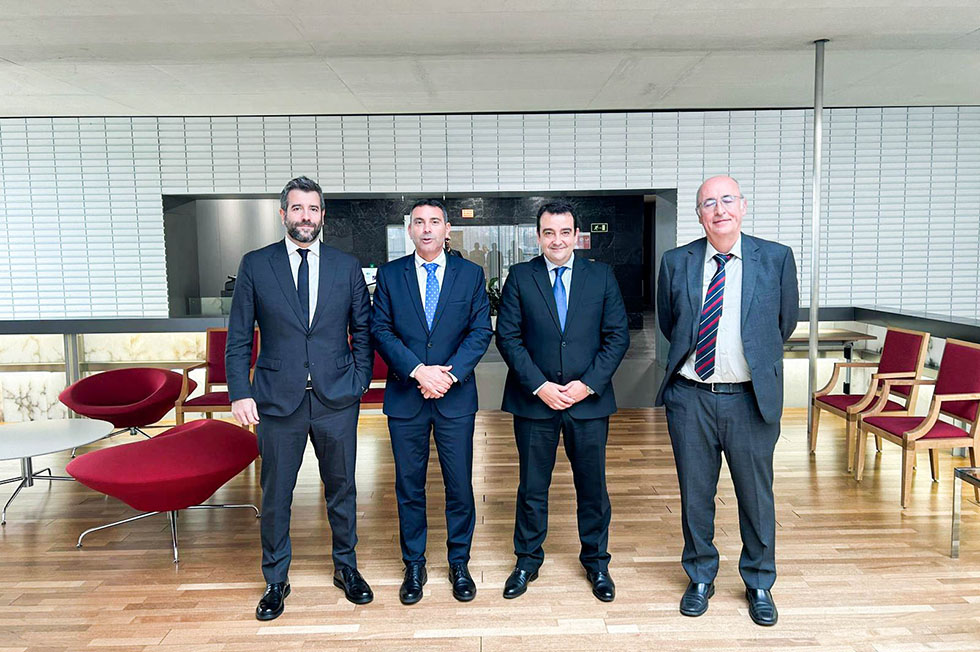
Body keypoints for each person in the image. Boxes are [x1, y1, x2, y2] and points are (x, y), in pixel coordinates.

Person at [226, 176, 374, 621]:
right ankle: (276, 579)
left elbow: (363, 330)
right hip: (276, 400)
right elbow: (239, 336)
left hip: (336, 398)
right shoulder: (256, 265)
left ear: (322, 215)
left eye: (312, 209)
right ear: (283, 214)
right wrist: (240, 392)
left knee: (342, 488)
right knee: (276, 494)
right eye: (297, 208)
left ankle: (346, 567)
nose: (305, 217)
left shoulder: (346, 266)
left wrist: (360, 380)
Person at [655, 175, 799, 627]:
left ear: (743, 206)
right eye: (709, 203)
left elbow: (785, 323)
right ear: (698, 214)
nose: (719, 210)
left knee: (756, 496)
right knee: (695, 494)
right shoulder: (676, 262)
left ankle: (759, 581)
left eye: (727, 200)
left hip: (750, 400)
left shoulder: (775, 258)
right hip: (691, 398)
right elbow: (670, 323)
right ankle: (700, 576)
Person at [495, 200, 629, 602]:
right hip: (535, 402)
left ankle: (597, 562)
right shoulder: (520, 277)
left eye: (565, 232)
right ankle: (527, 561)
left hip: (587, 403)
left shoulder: (601, 276)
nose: (557, 240)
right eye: (549, 232)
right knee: (532, 487)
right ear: (538, 237)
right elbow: (508, 337)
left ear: (577, 236)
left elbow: (617, 336)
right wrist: (539, 385)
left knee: (593, 488)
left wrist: (587, 385)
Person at [371, 199, 492, 604]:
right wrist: (418, 371)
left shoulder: (470, 275)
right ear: (409, 230)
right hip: (406, 396)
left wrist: (447, 375)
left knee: (459, 485)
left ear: (447, 229)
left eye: (434, 222)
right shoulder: (390, 275)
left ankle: (459, 562)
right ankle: (414, 564)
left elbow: (480, 331)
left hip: (455, 398)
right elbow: (381, 330)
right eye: (419, 222)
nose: (426, 229)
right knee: (409, 486)